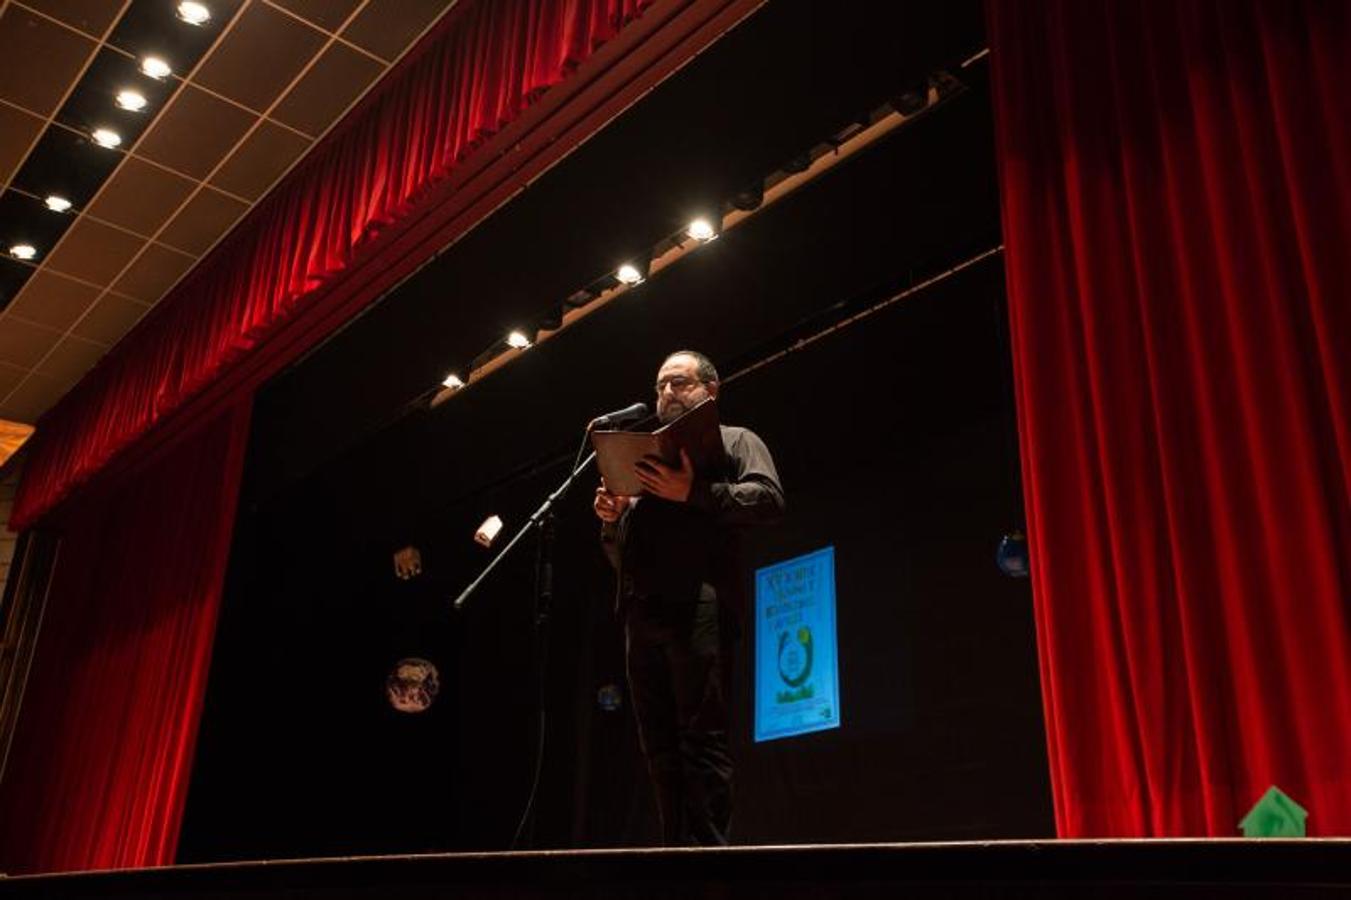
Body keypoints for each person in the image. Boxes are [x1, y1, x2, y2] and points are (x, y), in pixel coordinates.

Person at [593, 350, 785, 845]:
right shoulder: (640, 461)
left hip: (699, 603)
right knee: (658, 750)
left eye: (679, 384)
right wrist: (612, 523)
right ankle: (675, 865)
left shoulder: (735, 439)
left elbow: (768, 499)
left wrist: (693, 491)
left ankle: (708, 869)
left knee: (700, 744)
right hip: (642, 613)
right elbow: (623, 557)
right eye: (660, 386)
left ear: (711, 391)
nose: (666, 394)